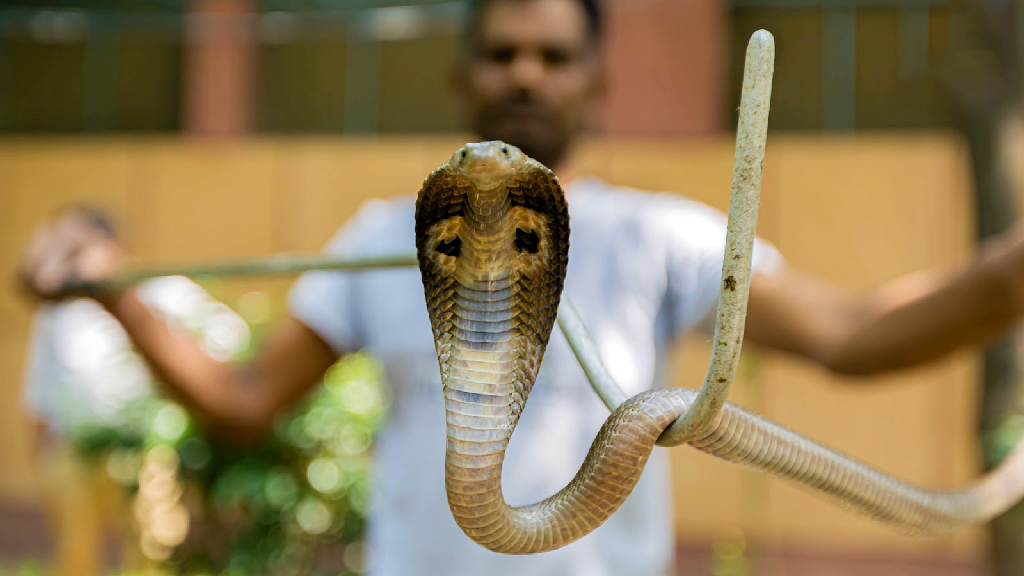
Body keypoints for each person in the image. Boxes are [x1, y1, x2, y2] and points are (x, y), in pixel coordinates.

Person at [15, 0, 1024, 574]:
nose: (526, 73)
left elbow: (854, 333)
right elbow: (243, 404)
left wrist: (1006, 272)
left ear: (595, 80)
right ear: (464, 78)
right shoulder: (380, 236)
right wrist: (118, 296)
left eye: (553, 54)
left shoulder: (664, 237)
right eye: (502, 53)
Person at [21, 207, 251, 576]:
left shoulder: (160, 290)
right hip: (73, 449)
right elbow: (41, 383)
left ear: (109, 247)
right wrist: (39, 444)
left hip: (143, 448)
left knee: (152, 549)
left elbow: (230, 338)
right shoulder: (59, 310)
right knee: (76, 553)